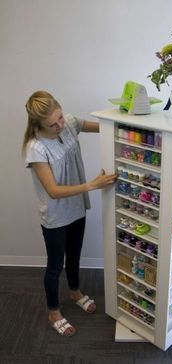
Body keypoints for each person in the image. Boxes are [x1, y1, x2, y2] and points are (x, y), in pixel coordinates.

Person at [22, 90, 117, 337]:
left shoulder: (69, 123)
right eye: (52, 125)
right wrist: (93, 185)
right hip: (55, 215)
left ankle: (75, 292)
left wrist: (121, 125)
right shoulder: (35, 148)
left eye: (61, 118)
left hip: (77, 207)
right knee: (55, 265)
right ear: (37, 124)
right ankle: (53, 311)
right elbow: (53, 191)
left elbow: (99, 127)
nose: (60, 126)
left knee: (74, 256)